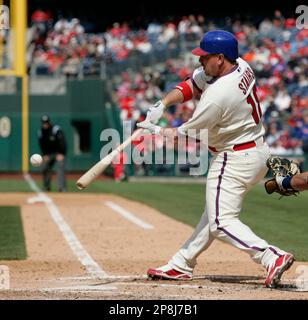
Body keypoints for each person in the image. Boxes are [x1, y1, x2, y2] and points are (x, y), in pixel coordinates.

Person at [137, 30, 294, 288]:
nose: (200, 61)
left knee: (221, 221)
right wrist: (162, 104)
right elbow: (191, 84)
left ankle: (270, 256)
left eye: (205, 57)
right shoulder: (240, 65)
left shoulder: (218, 95)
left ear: (220, 58)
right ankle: (181, 263)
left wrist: (155, 130)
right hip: (254, 152)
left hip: (234, 158)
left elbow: (185, 134)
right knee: (213, 214)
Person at [38, 115, 67, 192]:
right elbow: (41, 145)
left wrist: (61, 153)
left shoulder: (55, 129)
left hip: (58, 153)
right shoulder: (41, 131)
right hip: (48, 154)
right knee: (44, 166)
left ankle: (61, 188)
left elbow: (62, 141)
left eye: (46, 122)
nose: (45, 124)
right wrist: (44, 155)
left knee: (60, 166)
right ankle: (46, 187)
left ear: (49, 122)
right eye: (44, 123)